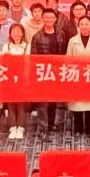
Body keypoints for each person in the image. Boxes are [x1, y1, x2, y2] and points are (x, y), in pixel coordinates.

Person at [31, 8, 68, 139]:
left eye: (51, 17)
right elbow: (33, 57)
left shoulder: (61, 34)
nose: (48, 20)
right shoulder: (37, 36)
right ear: (43, 18)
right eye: (46, 17)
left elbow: (64, 53)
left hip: (57, 72)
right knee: (43, 103)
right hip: (43, 73)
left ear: (55, 19)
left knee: (53, 100)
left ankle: (51, 123)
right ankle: (42, 128)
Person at [66, 16, 90, 136]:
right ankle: (78, 128)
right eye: (82, 24)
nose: (84, 26)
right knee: (77, 103)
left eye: (87, 24)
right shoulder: (72, 41)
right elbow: (69, 58)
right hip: (76, 75)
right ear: (78, 26)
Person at [2, 23, 31, 140]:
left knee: (21, 104)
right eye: (14, 31)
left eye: (19, 31)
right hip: (9, 79)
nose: (16, 34)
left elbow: (29, 63)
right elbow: (2, 64)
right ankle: (12, 127)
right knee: (10, 104)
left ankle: (21, 127)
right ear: (10, 34)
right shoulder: (6, 47)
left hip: (23, 78)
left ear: (23, 33)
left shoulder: (27, 46)